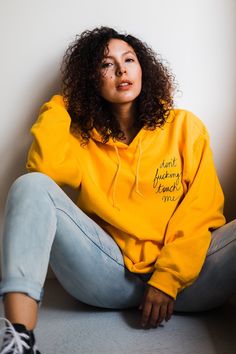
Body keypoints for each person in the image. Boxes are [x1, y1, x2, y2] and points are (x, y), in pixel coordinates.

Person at [0, 26, 236, 354]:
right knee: (30, 185)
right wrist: (63, 102)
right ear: (91, 79)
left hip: (189, 284)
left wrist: (168, 278)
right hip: (109, 278)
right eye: (106, 64)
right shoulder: (82, 138)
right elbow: (43, 170)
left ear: (144, 69)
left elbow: (202, 210)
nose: (121, 69)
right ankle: (18, 339)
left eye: (129, 59)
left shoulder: (184, 127)